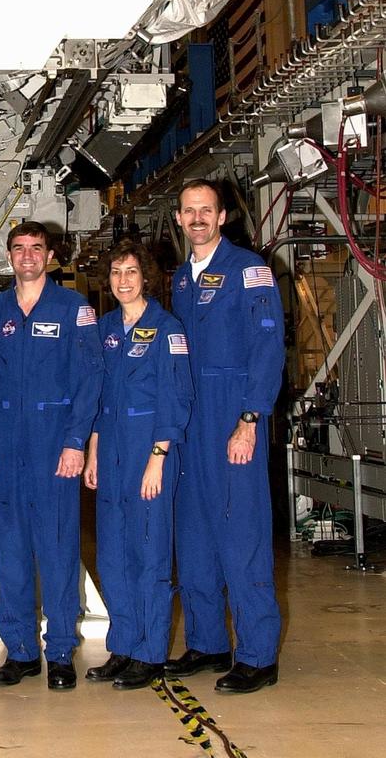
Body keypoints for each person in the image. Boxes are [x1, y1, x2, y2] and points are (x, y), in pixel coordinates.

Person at [0, 221, 102, 691]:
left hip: (53, 443)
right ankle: (21, 650)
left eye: (36, 249)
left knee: (58, 547)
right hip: (5, 443)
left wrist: (75, 442)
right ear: (9, 255)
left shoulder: (74, 309)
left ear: (50, 256)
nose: (27, 256)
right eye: (19, 249)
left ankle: (61, 649)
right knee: (9, 551)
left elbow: (89, 382)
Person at [166, 179, 285, 694]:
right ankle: (208, 641)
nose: (197, 218)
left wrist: (251, 417)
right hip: (190, 417)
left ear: (222, 218)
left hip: (231, 413)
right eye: (188, 211)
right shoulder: (180, 279)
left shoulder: (248, 270)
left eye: (205, 211)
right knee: (193, 536)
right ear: (178, 219)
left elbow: (268, 347)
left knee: (242, 534)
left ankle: (258, 654)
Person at [83, 240, 193, 689]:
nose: (123, 281)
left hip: (149, 452)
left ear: (145, 277)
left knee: (149, 556)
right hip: (109, 452)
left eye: (131, 272)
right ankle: (123, 645)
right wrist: (91, 452)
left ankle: (149, 652)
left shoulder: (168, 329)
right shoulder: (105, 329)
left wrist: (158, 459)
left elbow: (177, 398)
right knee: (111, 556)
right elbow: (96, 395)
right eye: (116, 273)